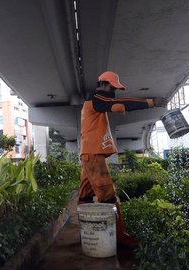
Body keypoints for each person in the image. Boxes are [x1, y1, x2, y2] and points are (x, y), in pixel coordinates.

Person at [78, 71, 167, 248]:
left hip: (89, 153)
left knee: (85, 195)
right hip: (93, 155)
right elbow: (119, 103)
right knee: (108, 196)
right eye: (112, 87)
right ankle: (119, 237)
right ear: (103, 84)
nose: (114, 91)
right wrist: (150, 102)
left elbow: (116, 102)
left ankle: (86, 234)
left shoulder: (94, 101)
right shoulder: (96, 99)